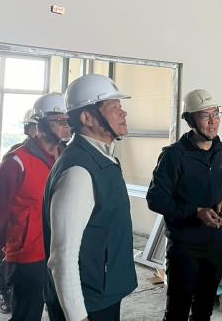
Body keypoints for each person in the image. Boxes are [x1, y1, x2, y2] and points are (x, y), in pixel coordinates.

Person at [43, 74, 137, 321]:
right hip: (88, 303)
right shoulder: (79, 172)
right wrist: (77, 316)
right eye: (114, 107)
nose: (123, 113)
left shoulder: (102, 158)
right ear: (87, 118)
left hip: (101, 292)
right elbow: (62, 257)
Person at [147, 89, 222, 321]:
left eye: (216, 113)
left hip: (215, 245)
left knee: (204, 309)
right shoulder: (174, 156)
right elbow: (155, 199)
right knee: (177, 311)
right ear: (190, 120)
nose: (213, 121)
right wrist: (196, 212)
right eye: (205, 115)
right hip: (184, 249)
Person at [0, 93, 71, 321]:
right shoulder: (16, 162)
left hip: (61, 250)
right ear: (41, 123)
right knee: (27, 313)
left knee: (62, 310)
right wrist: (13, 246)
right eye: (60, 120)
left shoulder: (67, 157)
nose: (66, 126)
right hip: (28, 256)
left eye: (68, 120)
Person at [0, 108, 38, 314]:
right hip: (15, 223)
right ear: (28, 129)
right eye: (34, 127)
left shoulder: (55, 153)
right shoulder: (16, 155)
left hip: (38, 223)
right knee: (5, 257)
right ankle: (4, 291)